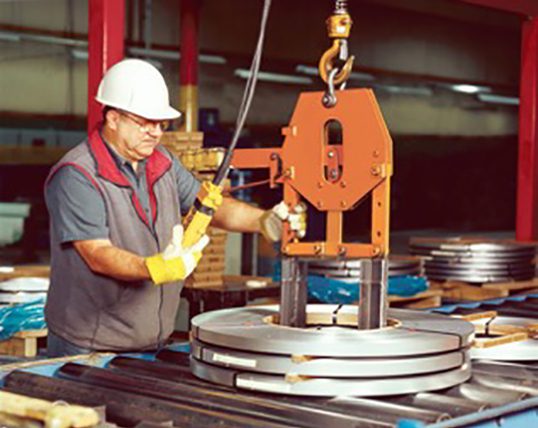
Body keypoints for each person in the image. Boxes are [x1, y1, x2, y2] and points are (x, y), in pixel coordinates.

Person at [44, 59, 305, 357]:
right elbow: (97, 254)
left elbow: (211, 209)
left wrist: (266, 220)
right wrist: (155, 267)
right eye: (145, 122)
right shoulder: (78, 174)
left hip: (152, 341)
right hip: (89, 345)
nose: (155, 132)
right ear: (113, 118)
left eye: (161, 124)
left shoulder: (163, 163)